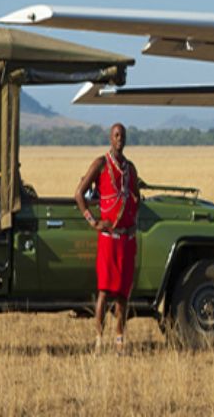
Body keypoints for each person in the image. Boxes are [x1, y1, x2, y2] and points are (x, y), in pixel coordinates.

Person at [75, 123, 140, 354]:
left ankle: (120, 339)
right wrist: (92, 221)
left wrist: (133, 223)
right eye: (116, 135)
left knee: (123, 292)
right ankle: (99, 340)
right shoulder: (101, 164)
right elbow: (79, 194)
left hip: (126, 239)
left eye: (122, 135)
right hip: (107, 237)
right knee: (104, 290)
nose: (119, 139)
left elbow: (137, 198)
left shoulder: (130, 169)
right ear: (110, 139)